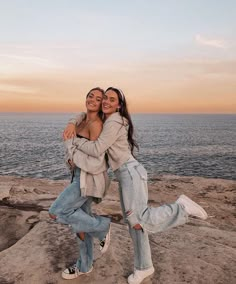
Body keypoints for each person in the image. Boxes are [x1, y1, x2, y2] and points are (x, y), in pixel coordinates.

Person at [63, 87, 208, 284]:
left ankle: (181, 208)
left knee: (140, 219)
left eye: (111, 99)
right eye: (104, 98)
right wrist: (73, 122)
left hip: (130, 173)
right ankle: (144, 266)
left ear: (119, 105)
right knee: (135, 225)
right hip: (126, 175)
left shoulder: (114, 120)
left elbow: (97, 149)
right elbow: (84, 114)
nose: (106, 101)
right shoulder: (108, 119)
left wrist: (74, 142)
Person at [49, 87, 111, 280]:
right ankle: (84, 265)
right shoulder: (82, 119)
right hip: (77, 174)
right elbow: (79, 151)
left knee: (57, 211)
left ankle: (102, 226)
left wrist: (73, 152)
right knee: (80, 224)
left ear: (103, 104)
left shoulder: (96, 125)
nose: (92, 99)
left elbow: (97, 161)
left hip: (87, 178)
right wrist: (71, 160)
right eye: (90, 95)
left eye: (98, 98)